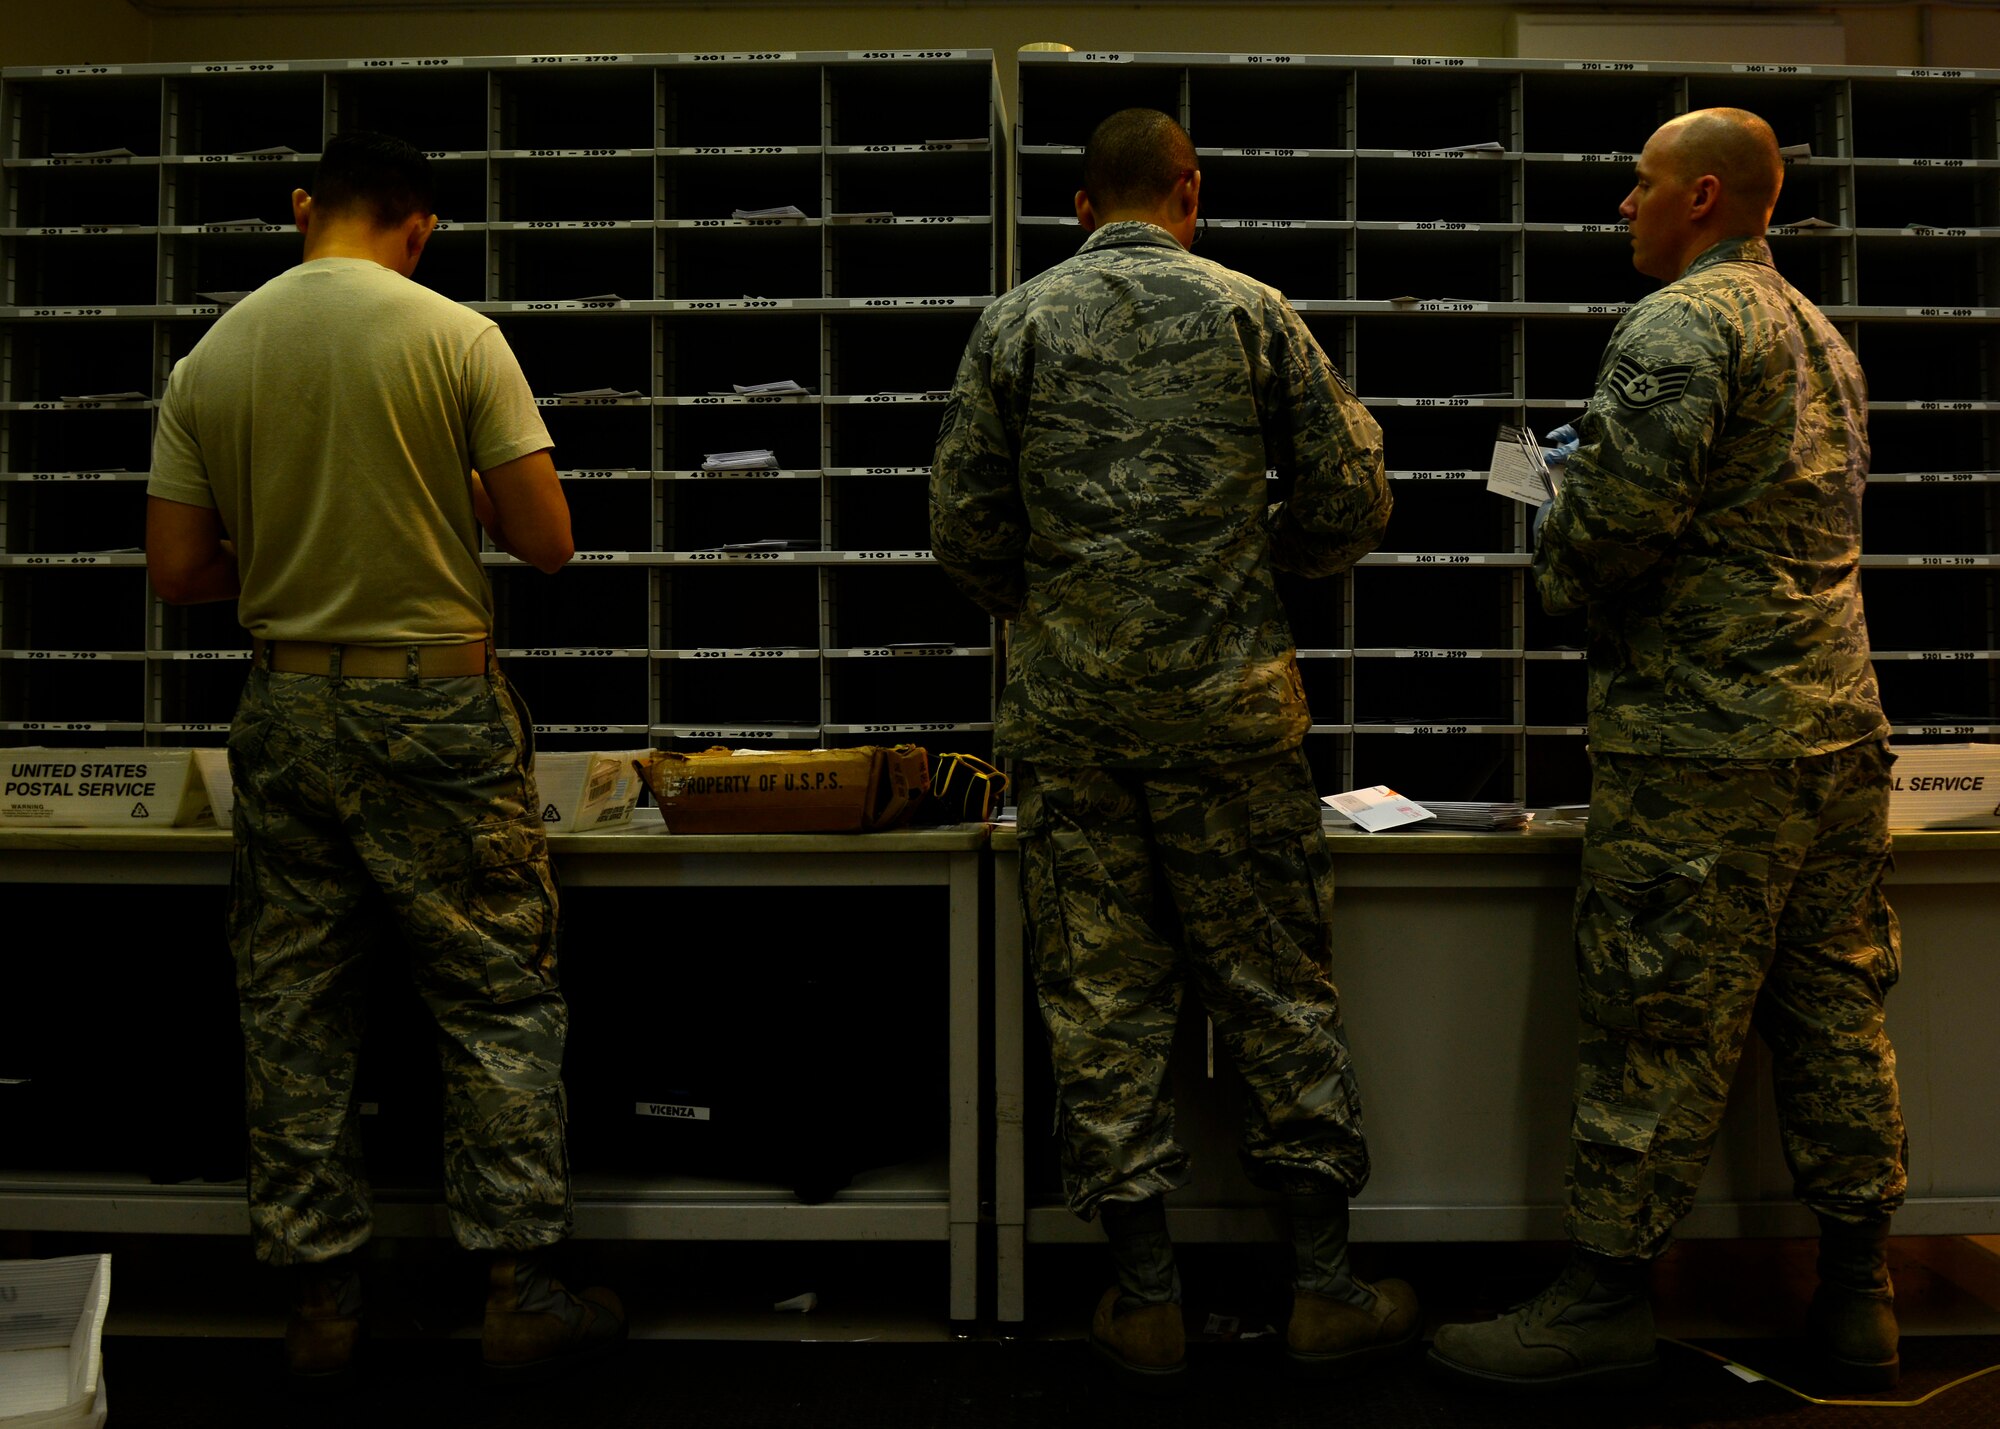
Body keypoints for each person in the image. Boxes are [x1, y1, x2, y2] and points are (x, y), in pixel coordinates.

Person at [931, 108, 1412, 1381]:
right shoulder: (1255, 313)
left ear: (1080, 207)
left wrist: (1061, 605)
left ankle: (1143, 1299)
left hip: (1074, 723)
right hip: (1228, 719)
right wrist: (1252, 567)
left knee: (1099, 1000)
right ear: (1189, 193)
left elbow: (962, 528)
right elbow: (1351, 497)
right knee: (1273, 991)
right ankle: (1322, 1286)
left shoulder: (1015, 322)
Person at [1429, 108, 1905, 1393]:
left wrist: (1552, 524)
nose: (1621, 207)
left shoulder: (1676, 326)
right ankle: (1857, 1295)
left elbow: (1610, 540)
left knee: (1655, 1015)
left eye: (1636, 185)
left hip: (1705, 743)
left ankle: (1601, 1296)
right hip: (1835, 729)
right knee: (1833, 1009)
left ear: (1700, 195)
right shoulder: (1820, 336)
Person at [145, 131, 624, 1383]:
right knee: (492, 992)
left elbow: (179, 570)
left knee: (293, 1004)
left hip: (285, 705)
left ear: (302, 206)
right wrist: (438, 495)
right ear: (420, 226)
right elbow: (549, 541)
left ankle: (320, 1307)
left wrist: (295, 544)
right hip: (434, 706)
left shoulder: (211, 356)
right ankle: (520, 1292)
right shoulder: (456, 337)